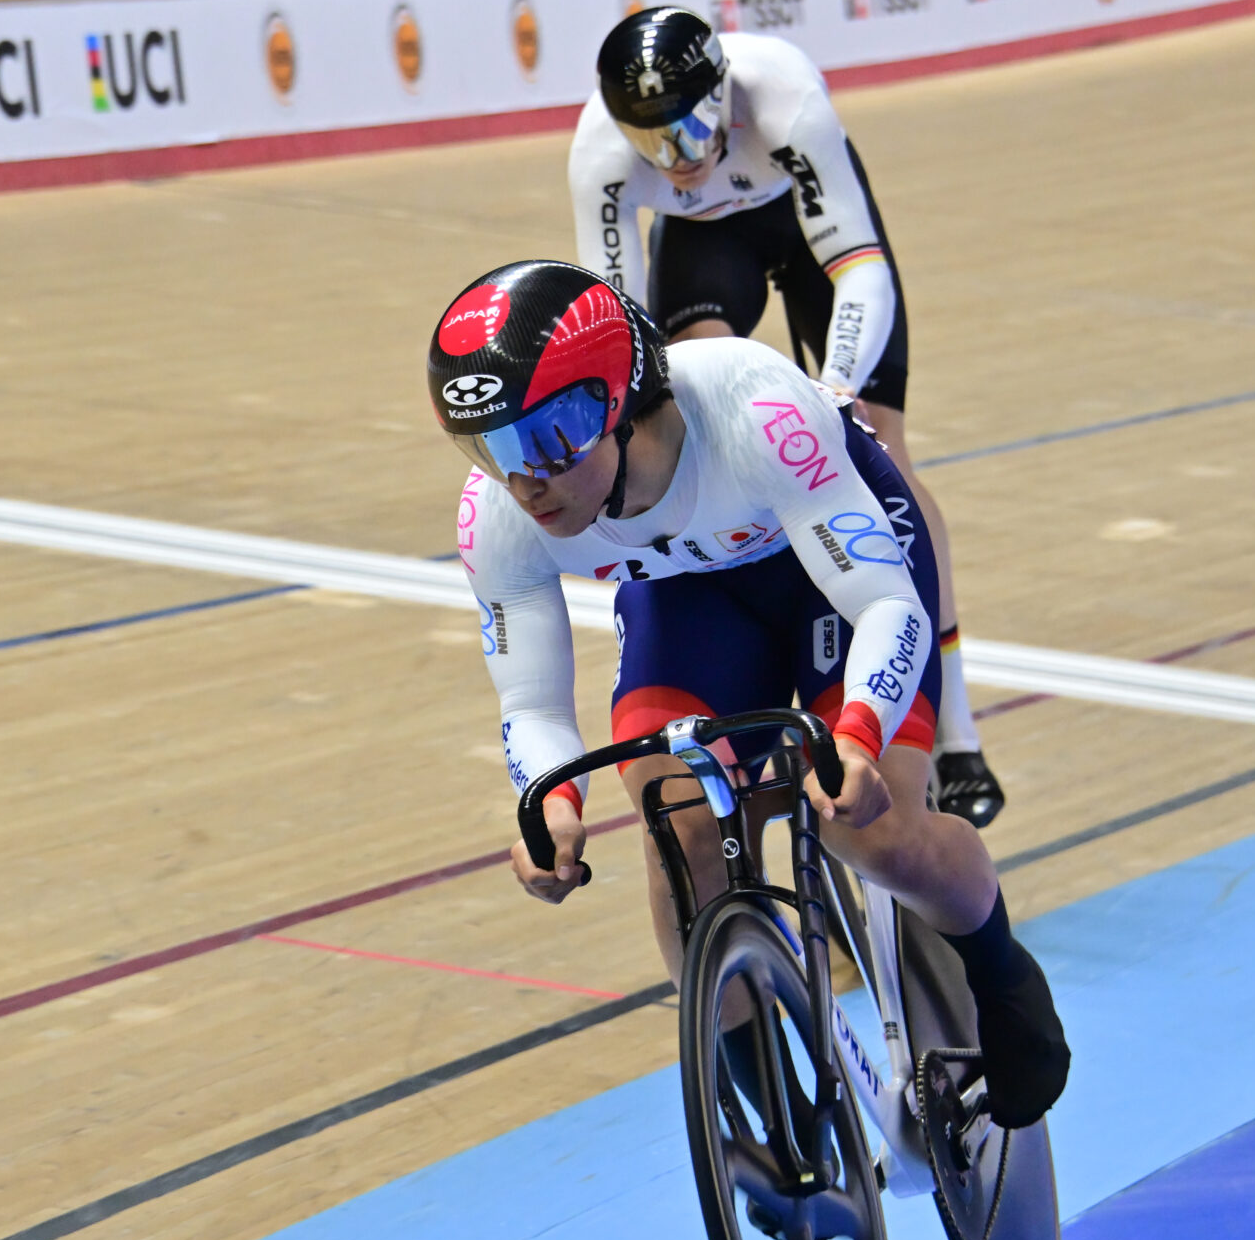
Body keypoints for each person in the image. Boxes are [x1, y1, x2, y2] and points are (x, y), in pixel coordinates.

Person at [429, 259, 1069, 1128]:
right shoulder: (498, 514)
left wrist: (857, 735)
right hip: (694, 592)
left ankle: (1002, 971)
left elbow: (883, 602)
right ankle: (770, 1112)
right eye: (491, 449)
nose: (522, 481)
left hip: (833, 573)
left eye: (543, 440)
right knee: (676, 824)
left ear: (614, 401)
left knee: (871, 829)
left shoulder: (753, 408)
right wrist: (550, 806)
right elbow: (534, 708)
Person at [570, 7, 1006, 826]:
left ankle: (957, 733)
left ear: (724, 94)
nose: (678, 159)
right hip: (704, 246)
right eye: (652, 145)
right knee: (697, 421)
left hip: (808, 235)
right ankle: (753, 643)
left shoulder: (786, 95)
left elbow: (862, 272)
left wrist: (833, 391)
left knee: (883, 451)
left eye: (692, 131)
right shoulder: (597, 150)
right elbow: (619, 323)